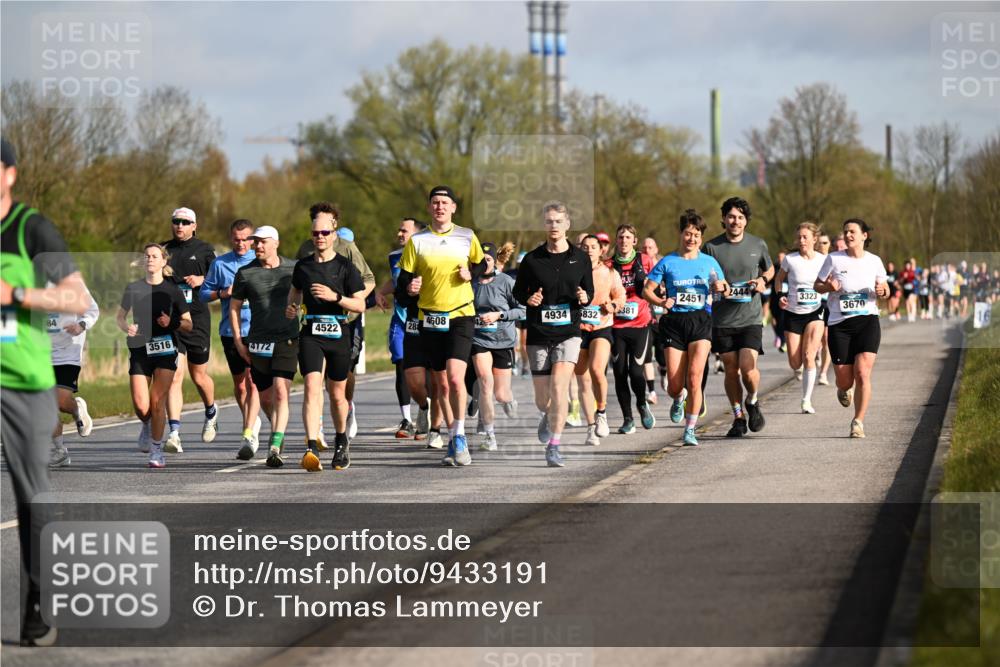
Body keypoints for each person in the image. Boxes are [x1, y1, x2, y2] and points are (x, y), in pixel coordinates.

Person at [1, 138, 93, 646]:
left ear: (10, 173)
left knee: (30, 495)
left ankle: (40, 597)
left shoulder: (30, 228)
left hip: (21, 379)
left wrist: (16, 294)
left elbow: (76, 299)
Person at [395, 186, 487, 466]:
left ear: (453, 208)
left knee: (456, 378)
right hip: (429, 318)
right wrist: (410, 288)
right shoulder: (417, 241)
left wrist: (470, 272)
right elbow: (402, 284)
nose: (440, 207)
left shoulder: (466, 236)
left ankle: (459, 436)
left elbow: (484, 266)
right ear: (429, 207)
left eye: (445, 203)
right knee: (441, 385)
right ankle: (451, 433)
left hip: (461, 314)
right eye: (435, 202)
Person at [513, 202, 593, 466]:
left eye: (558, 221)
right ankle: (547, 415)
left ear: (567, 224)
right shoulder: (532, 259)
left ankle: (554, 445)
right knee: (542, 399)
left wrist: (584, 296)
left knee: (560, 388)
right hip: (538, 332)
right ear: (544, 225)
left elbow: (588, 291)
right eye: (549, 221)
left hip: (569, 332)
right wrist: (530, 299)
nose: (554, 226)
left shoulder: (580, 258)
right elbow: (517, 293)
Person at [288, 214, 367, 471]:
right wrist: (292, 308)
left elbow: (360, 304)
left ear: (334, 235)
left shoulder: (345, 266)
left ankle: (341, 440)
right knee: (311, 386)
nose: (319, 237)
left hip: (339, 332)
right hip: (311, 331)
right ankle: (311, 446)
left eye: (324, 233)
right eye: (315, 234)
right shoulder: (303, 266)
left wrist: (336, 297)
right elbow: (295, 292)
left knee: (336, 395)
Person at [643, 209, 728, 446]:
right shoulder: (668, 261)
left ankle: (690, 429)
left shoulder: (709, 262)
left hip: (700, 321)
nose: (692, 238)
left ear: (701, 238)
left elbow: (722, 287)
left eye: (696, 235)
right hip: (674, 324)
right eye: (688, 233)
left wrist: (721, 288)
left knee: (695, 377)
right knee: (674, 384)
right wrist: (660, 301)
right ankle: (678, 398)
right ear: (681, 233)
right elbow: (646, 290)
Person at [297, 203, 376, 440]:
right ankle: (316, 429)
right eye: (316, 229)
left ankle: (346, 407)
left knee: (341, 379)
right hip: (313, 323)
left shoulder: (347, 248)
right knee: (313, 381)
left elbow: (368, 279)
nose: (320, 235)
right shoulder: (305, 250)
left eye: (327, 227)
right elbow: (297, 282)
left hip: (345, 320)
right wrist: (294, 306)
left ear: (334, 225)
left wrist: (350, 301)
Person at [702, 196, 774, 438]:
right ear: (723, 219)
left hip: (750, 318)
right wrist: (715, 286)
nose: (735, 221)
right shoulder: (711, 248)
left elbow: (770, 269)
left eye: (740, 217)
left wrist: (763, 280)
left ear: (746, 221)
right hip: (722, 320)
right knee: (731, 370)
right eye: (731, 216)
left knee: (748, 368)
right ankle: (738, 417)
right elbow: (702, 276)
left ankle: (752, 401)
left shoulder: (758, 244)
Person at [119, 243, 194, 469]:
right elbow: (120, 317)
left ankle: (156, 450)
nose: (150, 259)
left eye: (155, 256)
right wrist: (127, 328)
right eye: (147, 256)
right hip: (140, 348)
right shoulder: (133, 288)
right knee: (142, 406)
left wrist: (170, 322)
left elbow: (189, 324)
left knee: (157, 401)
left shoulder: (173, 290)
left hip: (165, 349)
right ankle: (148, 423)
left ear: (163, 262)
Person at [230, 226, 299, 467]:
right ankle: (276, 428)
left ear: (275, 243)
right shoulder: (245, 273)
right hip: (258, 341)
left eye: (262, 242)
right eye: (255, 242)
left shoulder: (294, 268)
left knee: (281, 391)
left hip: (287, 339)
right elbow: (234, 308)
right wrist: (239, 341)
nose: (257, 246)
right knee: (267, 398)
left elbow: (306, 296)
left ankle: (274, 445)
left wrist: (299, 309)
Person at [815, 219, 889, 438]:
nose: (848, 235)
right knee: (845, 379)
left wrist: (883, 291)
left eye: (853, 232)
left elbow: (884, 289)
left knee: (863, 373)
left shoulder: (875, 261)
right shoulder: (833, 259)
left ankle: (858, 422)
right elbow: (816, 286)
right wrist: (828, 286)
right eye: (846, 231)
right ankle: (842, 387)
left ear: (864, 235)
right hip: (840, 324)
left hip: (867, 321)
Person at [200, 219, 263, 457]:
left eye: (246, 239)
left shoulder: (260, 261)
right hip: (230, 331)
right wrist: (222, 293)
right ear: (231, 239)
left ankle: (249, 432)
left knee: (253, 380)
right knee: (240, 384)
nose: (241, 244)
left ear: (252, 239)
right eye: (236, 239)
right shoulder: (220, 264)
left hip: (256, 330)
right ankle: (251, 418)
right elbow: (204, 294)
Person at [162, 207, 218, 453]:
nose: (180, 226)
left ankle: (211, 410)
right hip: (173, 321)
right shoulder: (165, 250)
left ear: (194, 225)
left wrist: (201, 281)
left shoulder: (204, 250)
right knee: (175, 376)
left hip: (197, 320)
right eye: (176, 222)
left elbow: (218, 283)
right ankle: (174, 433)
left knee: (199, 376)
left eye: (185, 222)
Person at [375, 217, 429, 439]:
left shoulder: (428, 254)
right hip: (400, 320)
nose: (399, 234)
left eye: (403, 230)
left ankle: (426, 410)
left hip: (424, 318)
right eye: (399, 230)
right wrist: (380, 292)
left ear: (416, 235)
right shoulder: (394, 256)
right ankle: (406, 419)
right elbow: (395, 280)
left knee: (425, 370)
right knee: (401, 364)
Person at [470, 242, 524, 451]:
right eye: (480, 260)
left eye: (488, 259)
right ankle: (490, 435)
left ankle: (509, 401)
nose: (484, 263)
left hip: (503, 340)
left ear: (494, 260)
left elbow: (522, 311)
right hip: (479, 339)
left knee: (501, 394)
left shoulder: (506, 282)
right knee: (485, 383)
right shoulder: (470, 283)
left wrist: (499, 315)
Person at [577, 234, 625, 446]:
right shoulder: (573, 270)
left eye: (593, 247)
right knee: (582, 378)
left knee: (597, 369)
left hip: (602, 326)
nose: (589, 250)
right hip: (577, 329)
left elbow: (620, 295)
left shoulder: (609, 272)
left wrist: (613, 306)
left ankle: (602, 412)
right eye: (585, 246)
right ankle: (590, 427)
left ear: (601, 250)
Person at [609, 224, 657, 433]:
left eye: (628, 237)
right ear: (616, 240)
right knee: (620, 373)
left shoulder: (645, 261)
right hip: (617, 325)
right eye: (620, 237)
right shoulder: (608, 265)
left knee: (636, 371)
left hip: (640, 323)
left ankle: (641, 403)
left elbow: (656, 284)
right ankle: (627, 419)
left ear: (634, 241)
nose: (624, 241)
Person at [775, 222, 827, 414]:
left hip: (815, 311)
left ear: (814, 239)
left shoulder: (823, 260)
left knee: (808, 357)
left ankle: (806, 400)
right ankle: (801, 369)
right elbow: (779, 280)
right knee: (795, 362)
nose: (801, 241)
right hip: (793, 313)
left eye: (805, 237)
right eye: (799, 237)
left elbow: (832, 281)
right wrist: (780, 295)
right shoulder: (790, 259)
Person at [47, 280, 99, 467]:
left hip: (67, 353)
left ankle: (76, 409)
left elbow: (92, 310)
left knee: (61, 401)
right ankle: (60, 450)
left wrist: (81, 325)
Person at [816, 233, 834, 385]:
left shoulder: (834, 260)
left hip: (829, 303)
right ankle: (814, 353)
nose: (822, 245)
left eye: (825, 242)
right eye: (820, 242)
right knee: (817, 338)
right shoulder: (812, 259)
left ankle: (823, 373)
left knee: (827, 339)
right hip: (814, 303)